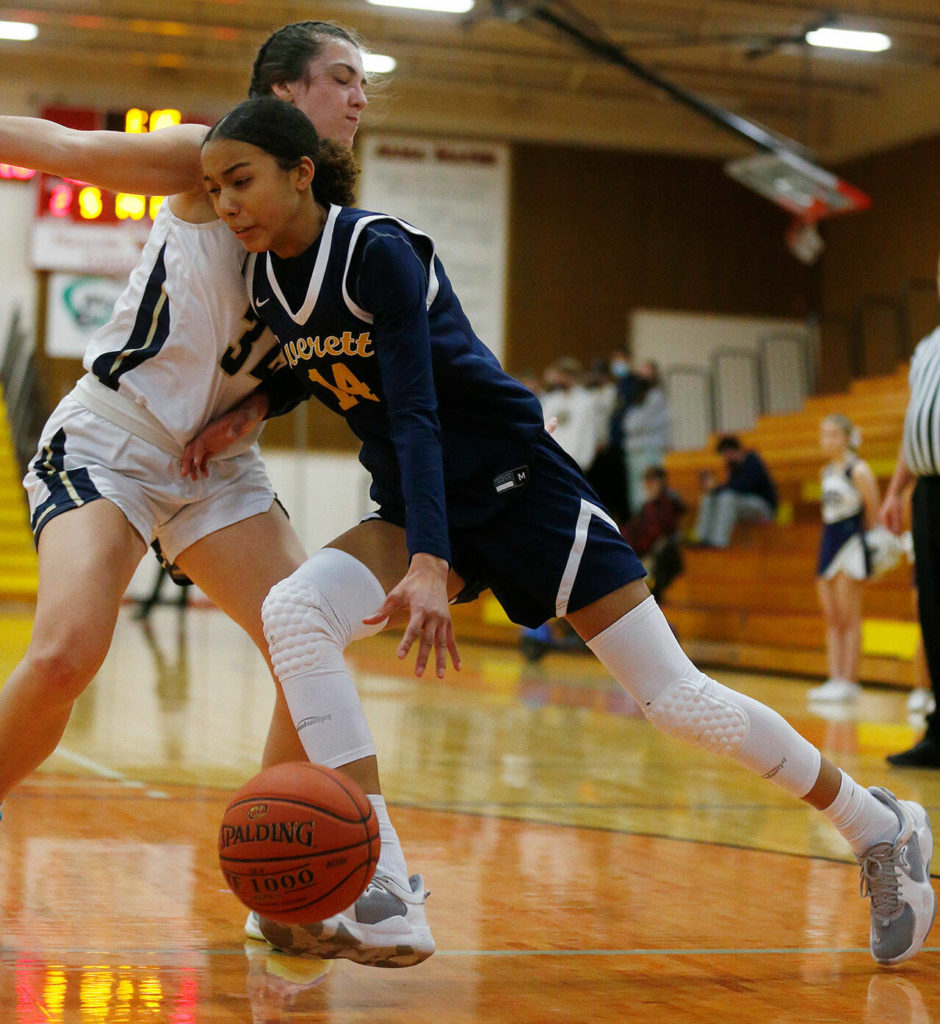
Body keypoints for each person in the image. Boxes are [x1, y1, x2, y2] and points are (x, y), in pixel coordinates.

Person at [187, 96, 936, 966]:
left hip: (518, 490)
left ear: (301, 173)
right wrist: (251, 410)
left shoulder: (376, 250)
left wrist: (432, 561)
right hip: (427, 501)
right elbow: (318, 363)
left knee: (678, 702)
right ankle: (383, 883)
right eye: (212, 189)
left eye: (240, 181)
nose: (227, 204)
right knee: (294, 613)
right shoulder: (266, 278)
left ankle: (878, 824)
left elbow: (419, 408)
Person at [0, 22, 432, 966]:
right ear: (283, 90)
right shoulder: (202, 158)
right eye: (342, 79)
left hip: (214, 471)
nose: (360, 97)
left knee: (303, 643)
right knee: (70, 650)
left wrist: (249, 411)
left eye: (364, 83)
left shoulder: (331, 221)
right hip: (113, 437)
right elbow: (66, 148)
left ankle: (282, 892)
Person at [879, 252, 940, 767]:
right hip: (927, 491)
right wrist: (898, 489)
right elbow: (914, 426)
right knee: (933, 608)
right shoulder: (926, 348)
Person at [806, 415, 880, 703]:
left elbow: (873, 514)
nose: (828, 440)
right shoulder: (826, 471)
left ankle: (850, 681)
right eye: (824, 434)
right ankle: (834, 677)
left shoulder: (859, 469)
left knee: (850, 617)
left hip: (851, 545)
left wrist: (870, 548)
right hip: (828, 543)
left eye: (834, 434)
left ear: (848, 437)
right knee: (832, 617)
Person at [693, 434, 778, 548]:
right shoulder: (733, 466)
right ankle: (702, 538)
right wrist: (715, 491)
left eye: (726, 454)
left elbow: (742, 486)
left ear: (731, 451)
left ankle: (719, 543)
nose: (725, 458)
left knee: (727, 497)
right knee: (709, 497)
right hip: (743, 506)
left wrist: (719, 488)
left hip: (763, 508)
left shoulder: (753, 461)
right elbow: (731, 487)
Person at [620, 465, 685, 604]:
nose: (646, 486)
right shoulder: (647, 506)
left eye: (650, 482)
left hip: (654, 554)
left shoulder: (665, 505)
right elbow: (632, 530)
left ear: (659, 483)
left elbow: (656, 533)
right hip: (638, 551)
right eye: (646, 482)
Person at [621, 359, 671, 515]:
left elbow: (636, 424)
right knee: (635, 492)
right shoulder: (637, 398)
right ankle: (638, 525)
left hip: (648, 449)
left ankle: (650, 525)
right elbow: (627, 424)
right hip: (634, 450)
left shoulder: (656, 397)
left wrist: (632, 425)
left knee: (648, 490)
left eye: (646, 372)